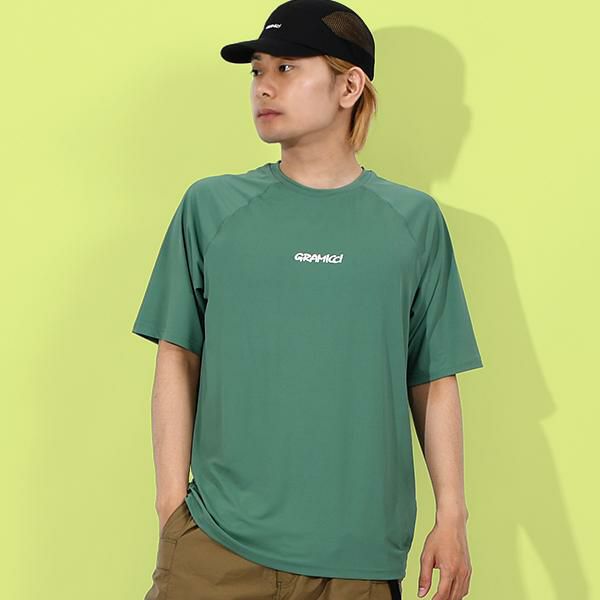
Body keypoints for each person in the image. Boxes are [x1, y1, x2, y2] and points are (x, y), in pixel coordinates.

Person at [131, 1, 484, 599]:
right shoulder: (212, 208)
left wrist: (452, 515)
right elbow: (176, 355)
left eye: (287, 68)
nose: (263, 87)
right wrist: (172, 509)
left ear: (350, 86)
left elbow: (433, 377)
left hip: (357, 557)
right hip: (216, 549)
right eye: (257, 71)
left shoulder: (412, 221)